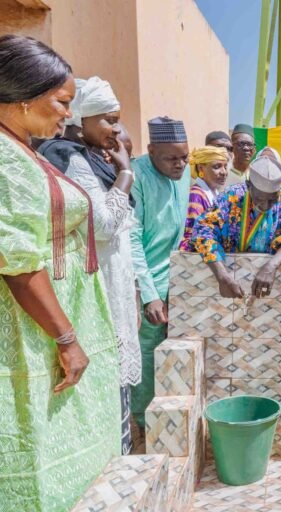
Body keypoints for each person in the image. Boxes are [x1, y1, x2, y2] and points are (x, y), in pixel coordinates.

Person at [0, 35, 121, 510]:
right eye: (62, 102)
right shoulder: (6, 160)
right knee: (34, 446)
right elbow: (18, 261)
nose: (67, 115)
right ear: (23, 95)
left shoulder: (22, 148)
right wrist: (66, 339)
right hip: (31, 334)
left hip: (49, 330)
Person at [38, 76, 141, 455]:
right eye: (108, 120)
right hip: (94, 291)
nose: (115, 129)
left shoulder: (90, 158)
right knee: (104, 388)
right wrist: (126, 175)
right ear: (82, 117)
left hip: (114, 286)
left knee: (117, 393)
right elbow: (103, 224)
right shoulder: (68, 157)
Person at [130, 116, 190, 428]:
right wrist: (150, 295)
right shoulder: (135, 175)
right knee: (146, 359)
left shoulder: (185, 172)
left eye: (185, 157)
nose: (179, 165)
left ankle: (169, 426)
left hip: (176, 284)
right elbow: (132, 240)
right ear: (151, 151)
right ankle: (141, 427)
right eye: (171, 158)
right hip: (146, 288)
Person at [190, 157, 281, 299]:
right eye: (260, 199)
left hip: (269, 285)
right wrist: (222, 276)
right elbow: (203, 231)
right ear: (249, 186)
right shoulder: (231, 196)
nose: (266, 206)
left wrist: (271, 266)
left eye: (272, 200)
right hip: (229, 281)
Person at [178, 146, 229, 251]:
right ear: (201, 168)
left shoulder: (215, 193)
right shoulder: (196, 195)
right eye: (217, 167)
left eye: (225, 166)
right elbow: (192, 236)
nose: (224, 172)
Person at [226, 123, 256, 188]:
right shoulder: (223, 173)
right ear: (231, 147)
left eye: (250, 144)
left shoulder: (257, 175)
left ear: (254, 150)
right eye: (241, 144)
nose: (246, 148)